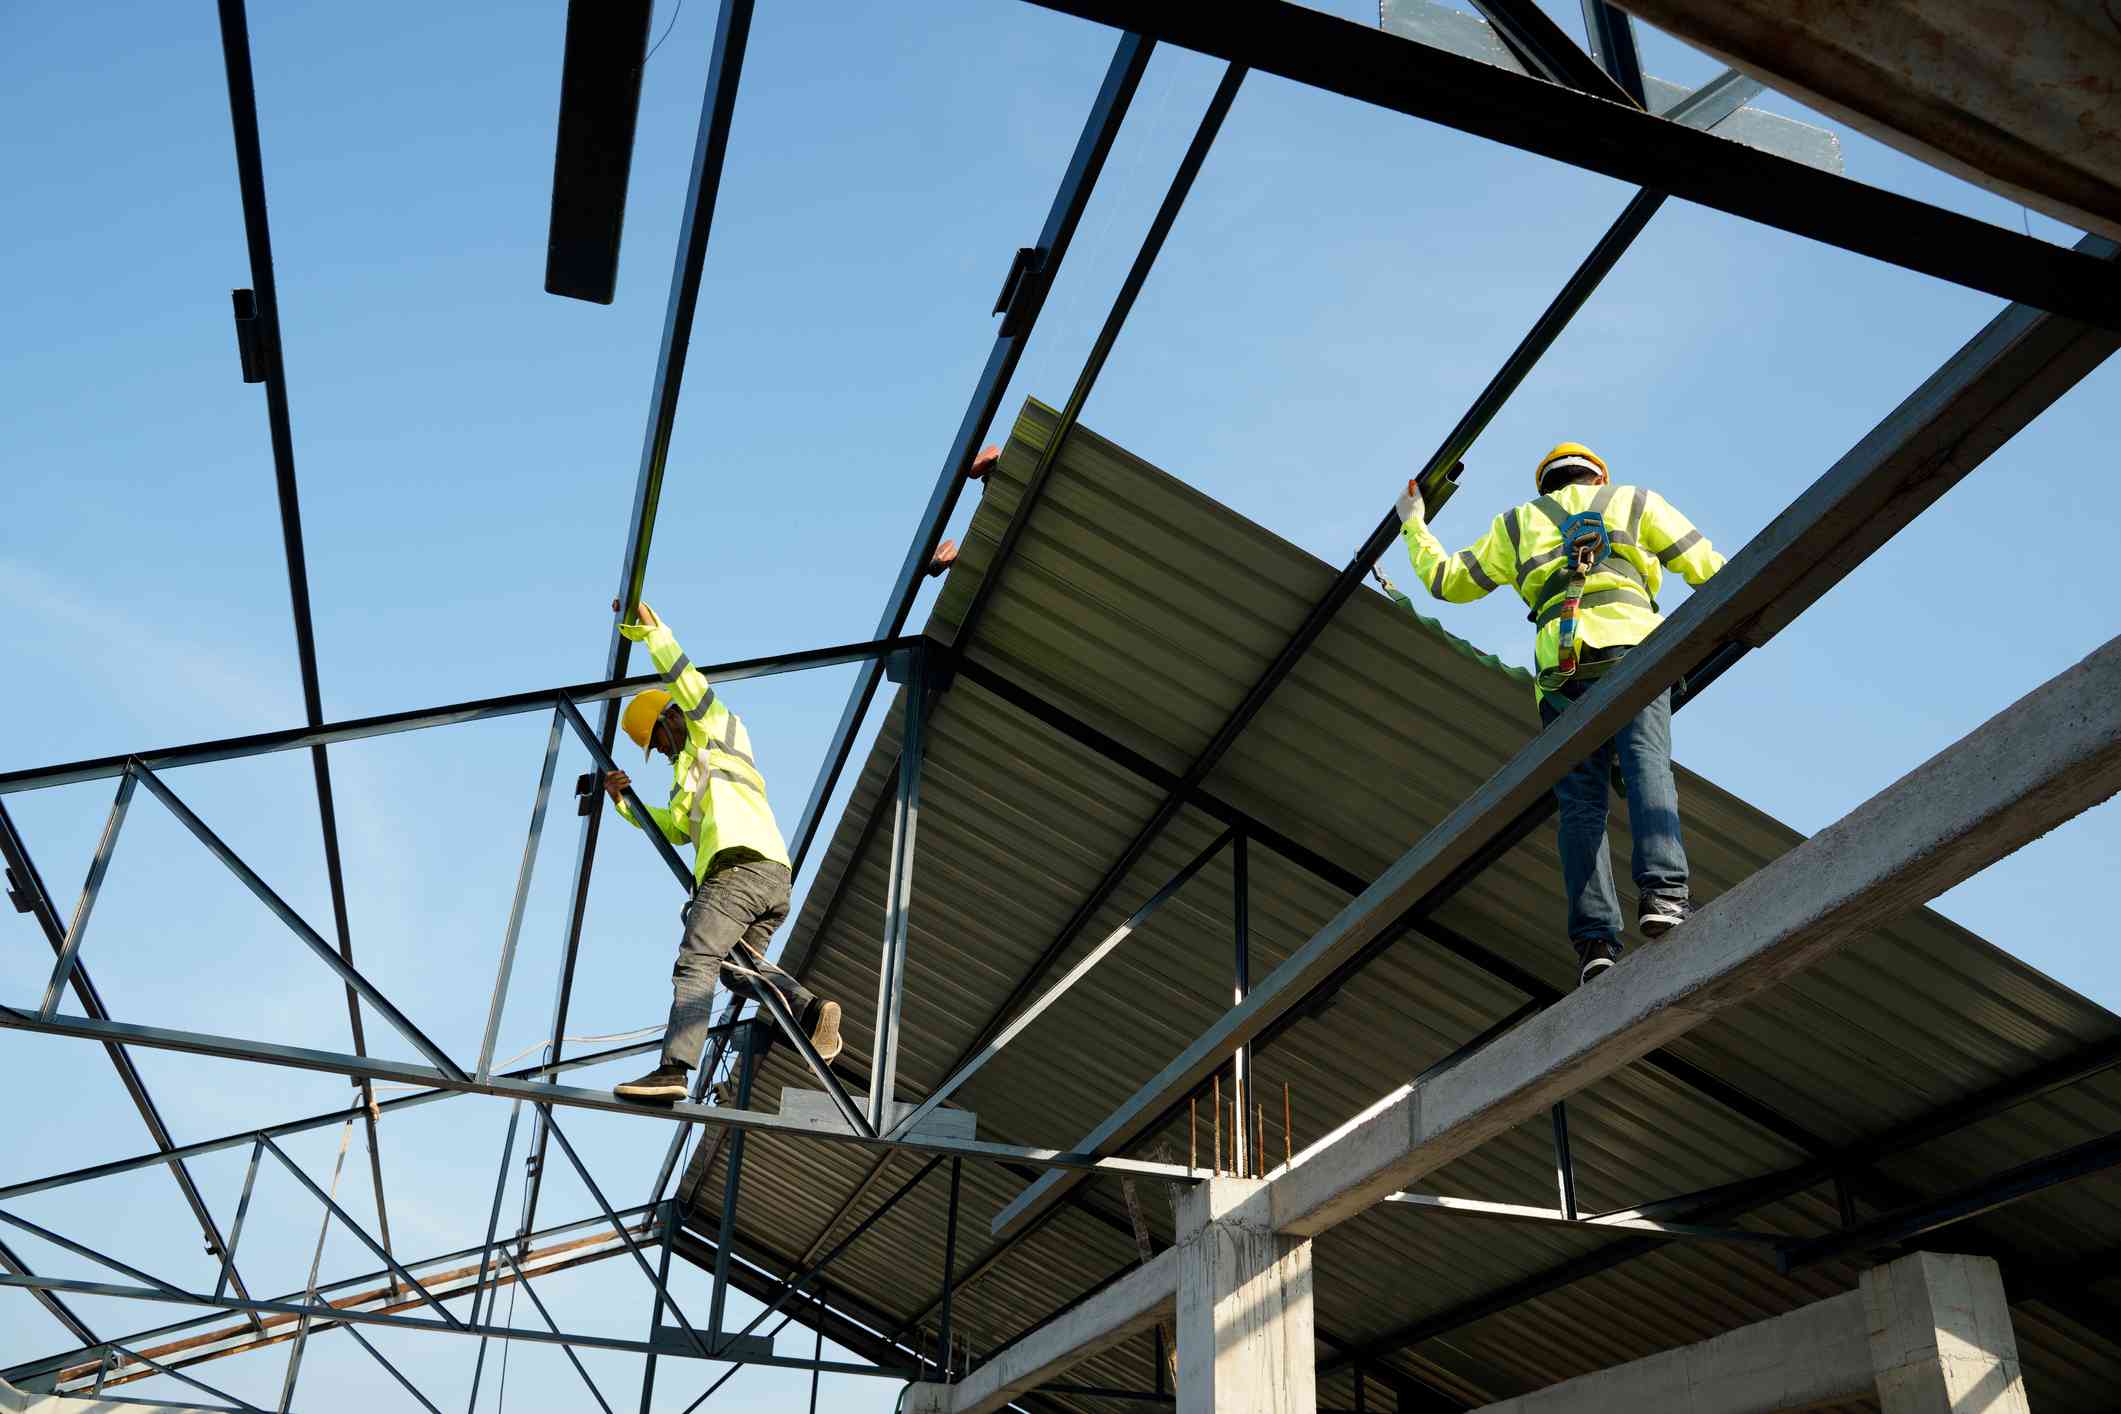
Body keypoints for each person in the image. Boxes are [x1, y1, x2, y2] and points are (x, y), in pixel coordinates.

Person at [1392, 443, 1724, 986]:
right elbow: (1711, 571)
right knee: (1646, 767)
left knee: (1580, 806)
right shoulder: (1636, 501)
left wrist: (1414, 524)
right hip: (1635, 652)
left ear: (1545, 483)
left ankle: (1595, 941)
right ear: (1598, 476)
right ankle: (1664, 894)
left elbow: (1447, 582)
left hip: (1562, 674)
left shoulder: (1517, 524)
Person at [602, 599, 841, 1102]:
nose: (662, 752)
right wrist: (626, 802)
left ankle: (673, 1070)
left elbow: (687, 680)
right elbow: (676, 830)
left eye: (659, 742)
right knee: (738, 972)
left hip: (738, 868)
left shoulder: (715, 729)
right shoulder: (681, 781)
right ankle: (810, 1010)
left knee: (697, 957)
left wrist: (653, 635)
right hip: (770, 877)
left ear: (670, 718)